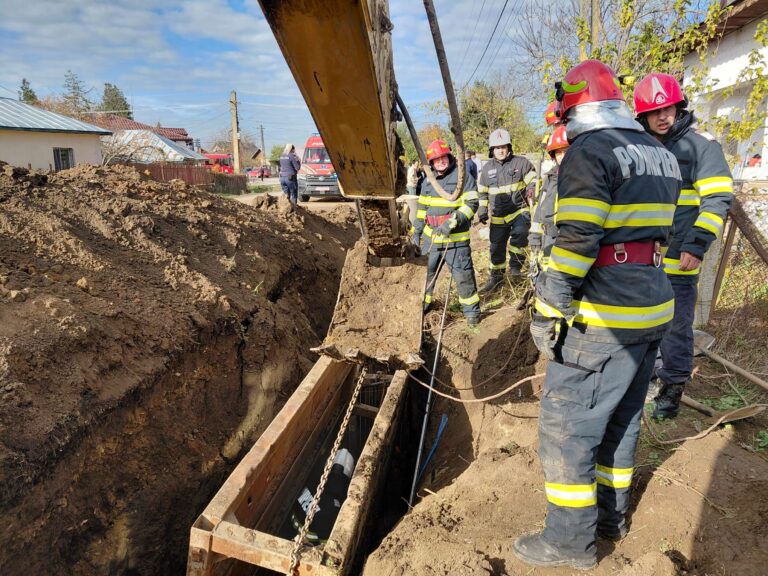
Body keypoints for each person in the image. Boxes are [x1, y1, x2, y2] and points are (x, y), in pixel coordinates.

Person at [514, 60, 682, 570]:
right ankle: (611, 519)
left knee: (568, 426)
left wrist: (549, 307)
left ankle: (569, 542)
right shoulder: (658, 152)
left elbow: (577, 241)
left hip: (603, 317)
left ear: (574, 109)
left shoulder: (589, 151)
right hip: (652, 307)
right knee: (622, 421)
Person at [633, 73, 734, 420]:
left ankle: (672, 388)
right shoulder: (640, 148)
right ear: (643, 116)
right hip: (643, 257)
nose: (663, 116)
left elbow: (717, 199)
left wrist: (697, 245)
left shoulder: (702, 146)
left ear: (680, 107)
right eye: (655, 111)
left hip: (679, 256)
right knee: (646, 323)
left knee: (676, 327)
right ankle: (651, 375)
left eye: (670, 108)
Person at [412, 139, 481, 327]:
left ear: (449, 157)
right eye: (436, 159)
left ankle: (472, 316)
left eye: (443, 157)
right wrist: (416, 231)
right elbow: (421, 208)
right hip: (431, 241)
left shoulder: (462, 177)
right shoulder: (428, 181)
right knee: (425, 277)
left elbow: (472, 204)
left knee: (463, 277)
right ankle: (423, 308)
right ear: (431, 163)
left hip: (455, 241)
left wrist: (451, 223)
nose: (440, 161)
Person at [477, 129, 537, 293]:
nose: (501, 150)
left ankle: (516, 270)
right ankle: (496, 277)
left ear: (509, 147)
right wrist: (482, 210)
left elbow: (533, 180)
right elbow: (482, 192)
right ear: (492, 150)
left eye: (503, 146)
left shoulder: (521, 163)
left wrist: (531, 190)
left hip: (519, 210)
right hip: (498, 217)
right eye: (497, 148)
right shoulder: (486, 169)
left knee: (520, 234)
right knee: (496, 247)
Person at [528, 124, 569, 285]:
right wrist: (534, 239)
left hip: (569, 240)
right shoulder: (550, 178)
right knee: (546, 277)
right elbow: (540, 211)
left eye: (566, 151)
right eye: (558, 152)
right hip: (548, 240)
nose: (562, 156)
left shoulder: (582, 176)